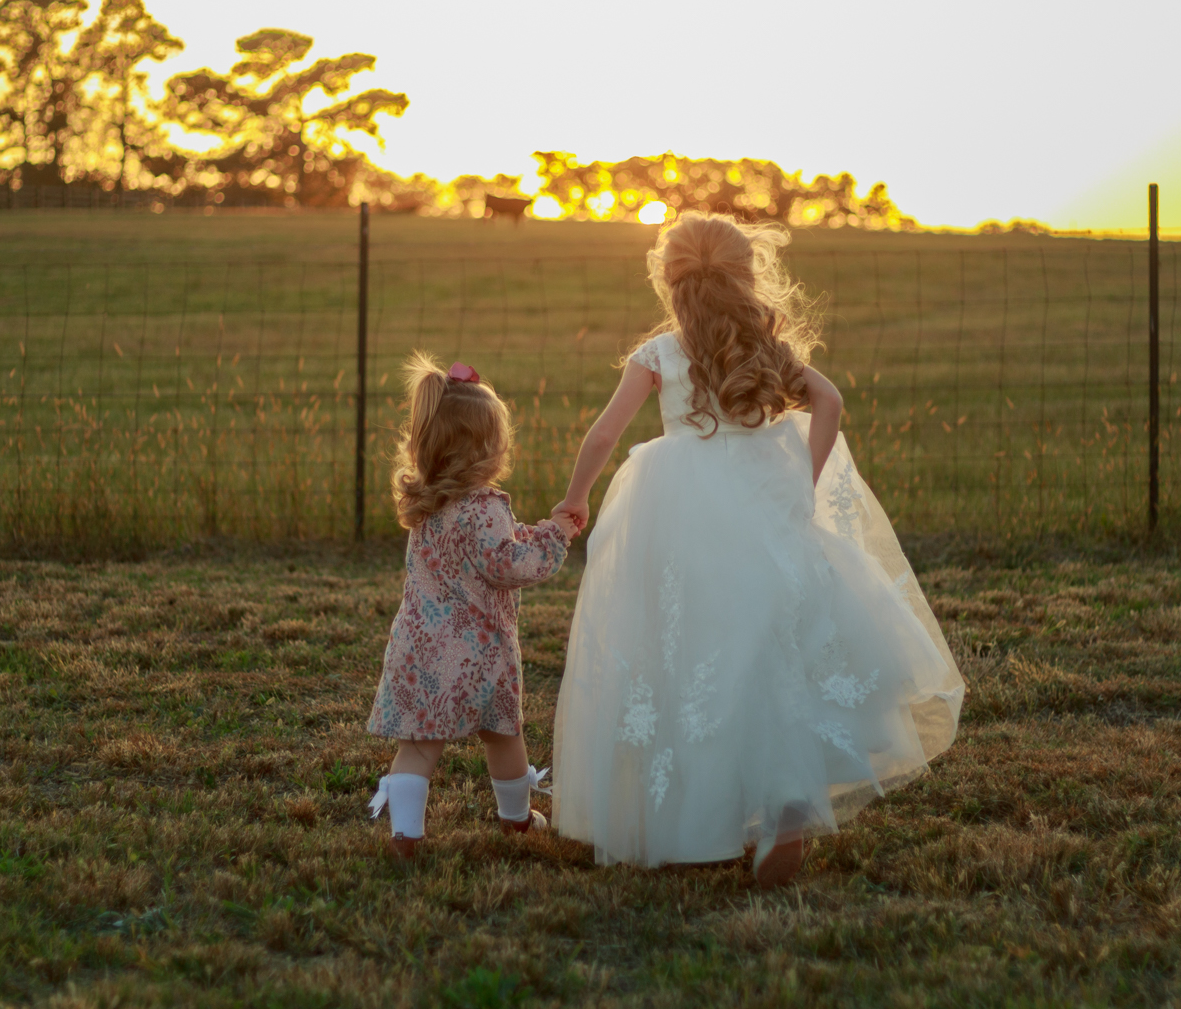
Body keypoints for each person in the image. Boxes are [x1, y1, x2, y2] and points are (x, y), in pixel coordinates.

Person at [547, 214, 964, 886]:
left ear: (669, 280)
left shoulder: (660, 353)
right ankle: (786, 802)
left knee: (694, 653)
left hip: (680, 510)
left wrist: (576, 497)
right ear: (746, 277)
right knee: (774, 644)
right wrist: (803, 482)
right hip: (764, 498)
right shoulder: (765, 346)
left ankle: (707, 809)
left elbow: (603, 435)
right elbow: (829, 402)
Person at [365, 354, 581, 860]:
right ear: (484, 449)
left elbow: (486, 548)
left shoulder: (427, 502)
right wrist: (555, 537)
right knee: (503, 735)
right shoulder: (484, 507)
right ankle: (517, 819)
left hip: (420, 649)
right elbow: (506, 563)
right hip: (478, 657)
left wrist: (533, 531)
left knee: (418, 745)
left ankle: (405, 835)